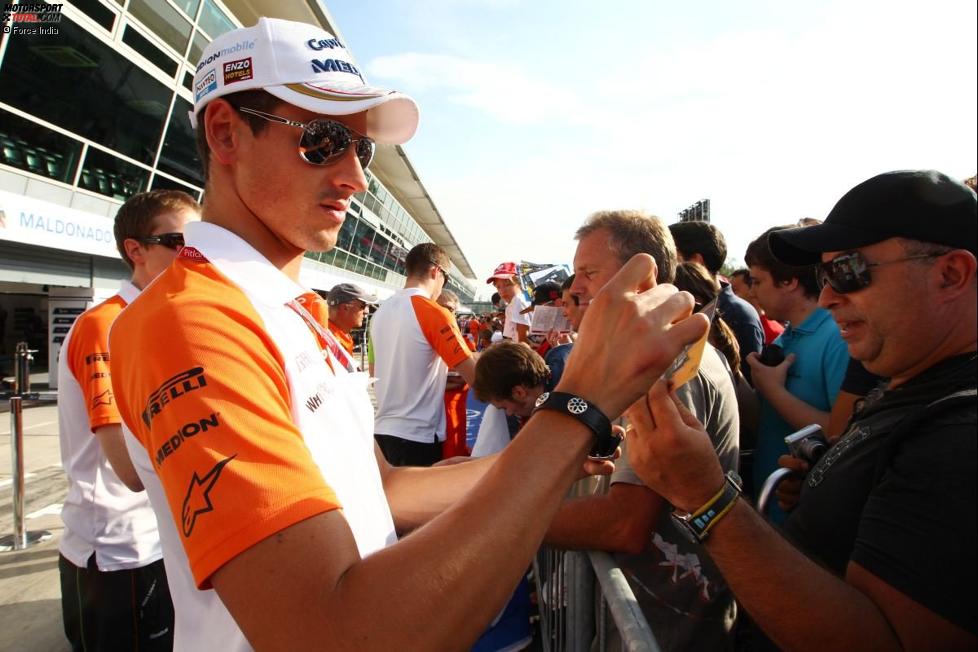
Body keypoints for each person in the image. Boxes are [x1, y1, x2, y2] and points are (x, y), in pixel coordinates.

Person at [107, 18, 706, 650]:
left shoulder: (282, 308)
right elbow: (329, 632)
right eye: (322, 141)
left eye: (360, 150)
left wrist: (540, 460)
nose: (355, 178)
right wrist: (573, 407)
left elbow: (384, 489)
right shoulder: (191, 321)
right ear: (226, 134)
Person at [625, 169, 976, 651]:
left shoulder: (960, 432)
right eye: (825, 275)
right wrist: (828, 485)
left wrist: (706, 497)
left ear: (951, 274)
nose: (829, 296)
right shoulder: (911, 389)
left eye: (849, 271)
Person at [549, 210, 740, 652]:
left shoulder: (673, 363)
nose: (575, 288)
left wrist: (507, 519)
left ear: (642, 278)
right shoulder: (655, 353)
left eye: (588, 273)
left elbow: (624, 522)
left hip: (666, 623)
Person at [58, 189, 197, 651]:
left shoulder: (160, 318)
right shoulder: (106, 325)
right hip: (120, 550)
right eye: (179, 240)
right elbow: (128, 469)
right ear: (135, 250)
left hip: (162, 538)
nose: (194, 253)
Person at [744, 226, 849, 513]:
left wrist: (773, 391)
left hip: (810, 523)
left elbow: (845, 437)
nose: (751, 292)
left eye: (757, 281)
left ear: (789, 281)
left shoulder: (838, 337)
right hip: (775, 511)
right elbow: (768, 421)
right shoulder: (785, 337)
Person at [371, 243, 476, 466]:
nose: (442, 287)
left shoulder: (380, 312)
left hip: (382, 430)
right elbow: (474, 376)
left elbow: (377, 372)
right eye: (445, 280)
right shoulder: (433, 312)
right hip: (418, 434)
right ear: (436, 271)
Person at [669, 221, 764, 378]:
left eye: (673, 255)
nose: (668, 263)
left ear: (696, 261)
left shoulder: (738, 315)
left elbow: (743, 388)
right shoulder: (690, 307)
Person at [436, 289, 472, 459]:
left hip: (452, 410)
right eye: (445, 308)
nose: (449, 314)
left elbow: (462, 378)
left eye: (452, 311)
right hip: (432, 416)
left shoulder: (457, 337)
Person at [730, 267, 784, 345]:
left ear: (752, 288)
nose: (730, 294)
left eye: (734, 290)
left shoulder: (775, 333)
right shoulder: (732, 321)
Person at [324, 282, 376, 356]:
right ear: (345, 308)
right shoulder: (329, 343)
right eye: (363, 306)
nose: (367, 312)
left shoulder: (341, 337)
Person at [487, 261, 532, 343]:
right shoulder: (510, 306)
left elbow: (523, 339)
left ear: (518, 283)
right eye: (498, 287)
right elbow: (509, 338)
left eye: (507, 285)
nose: (502, 291)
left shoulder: (518, 301)